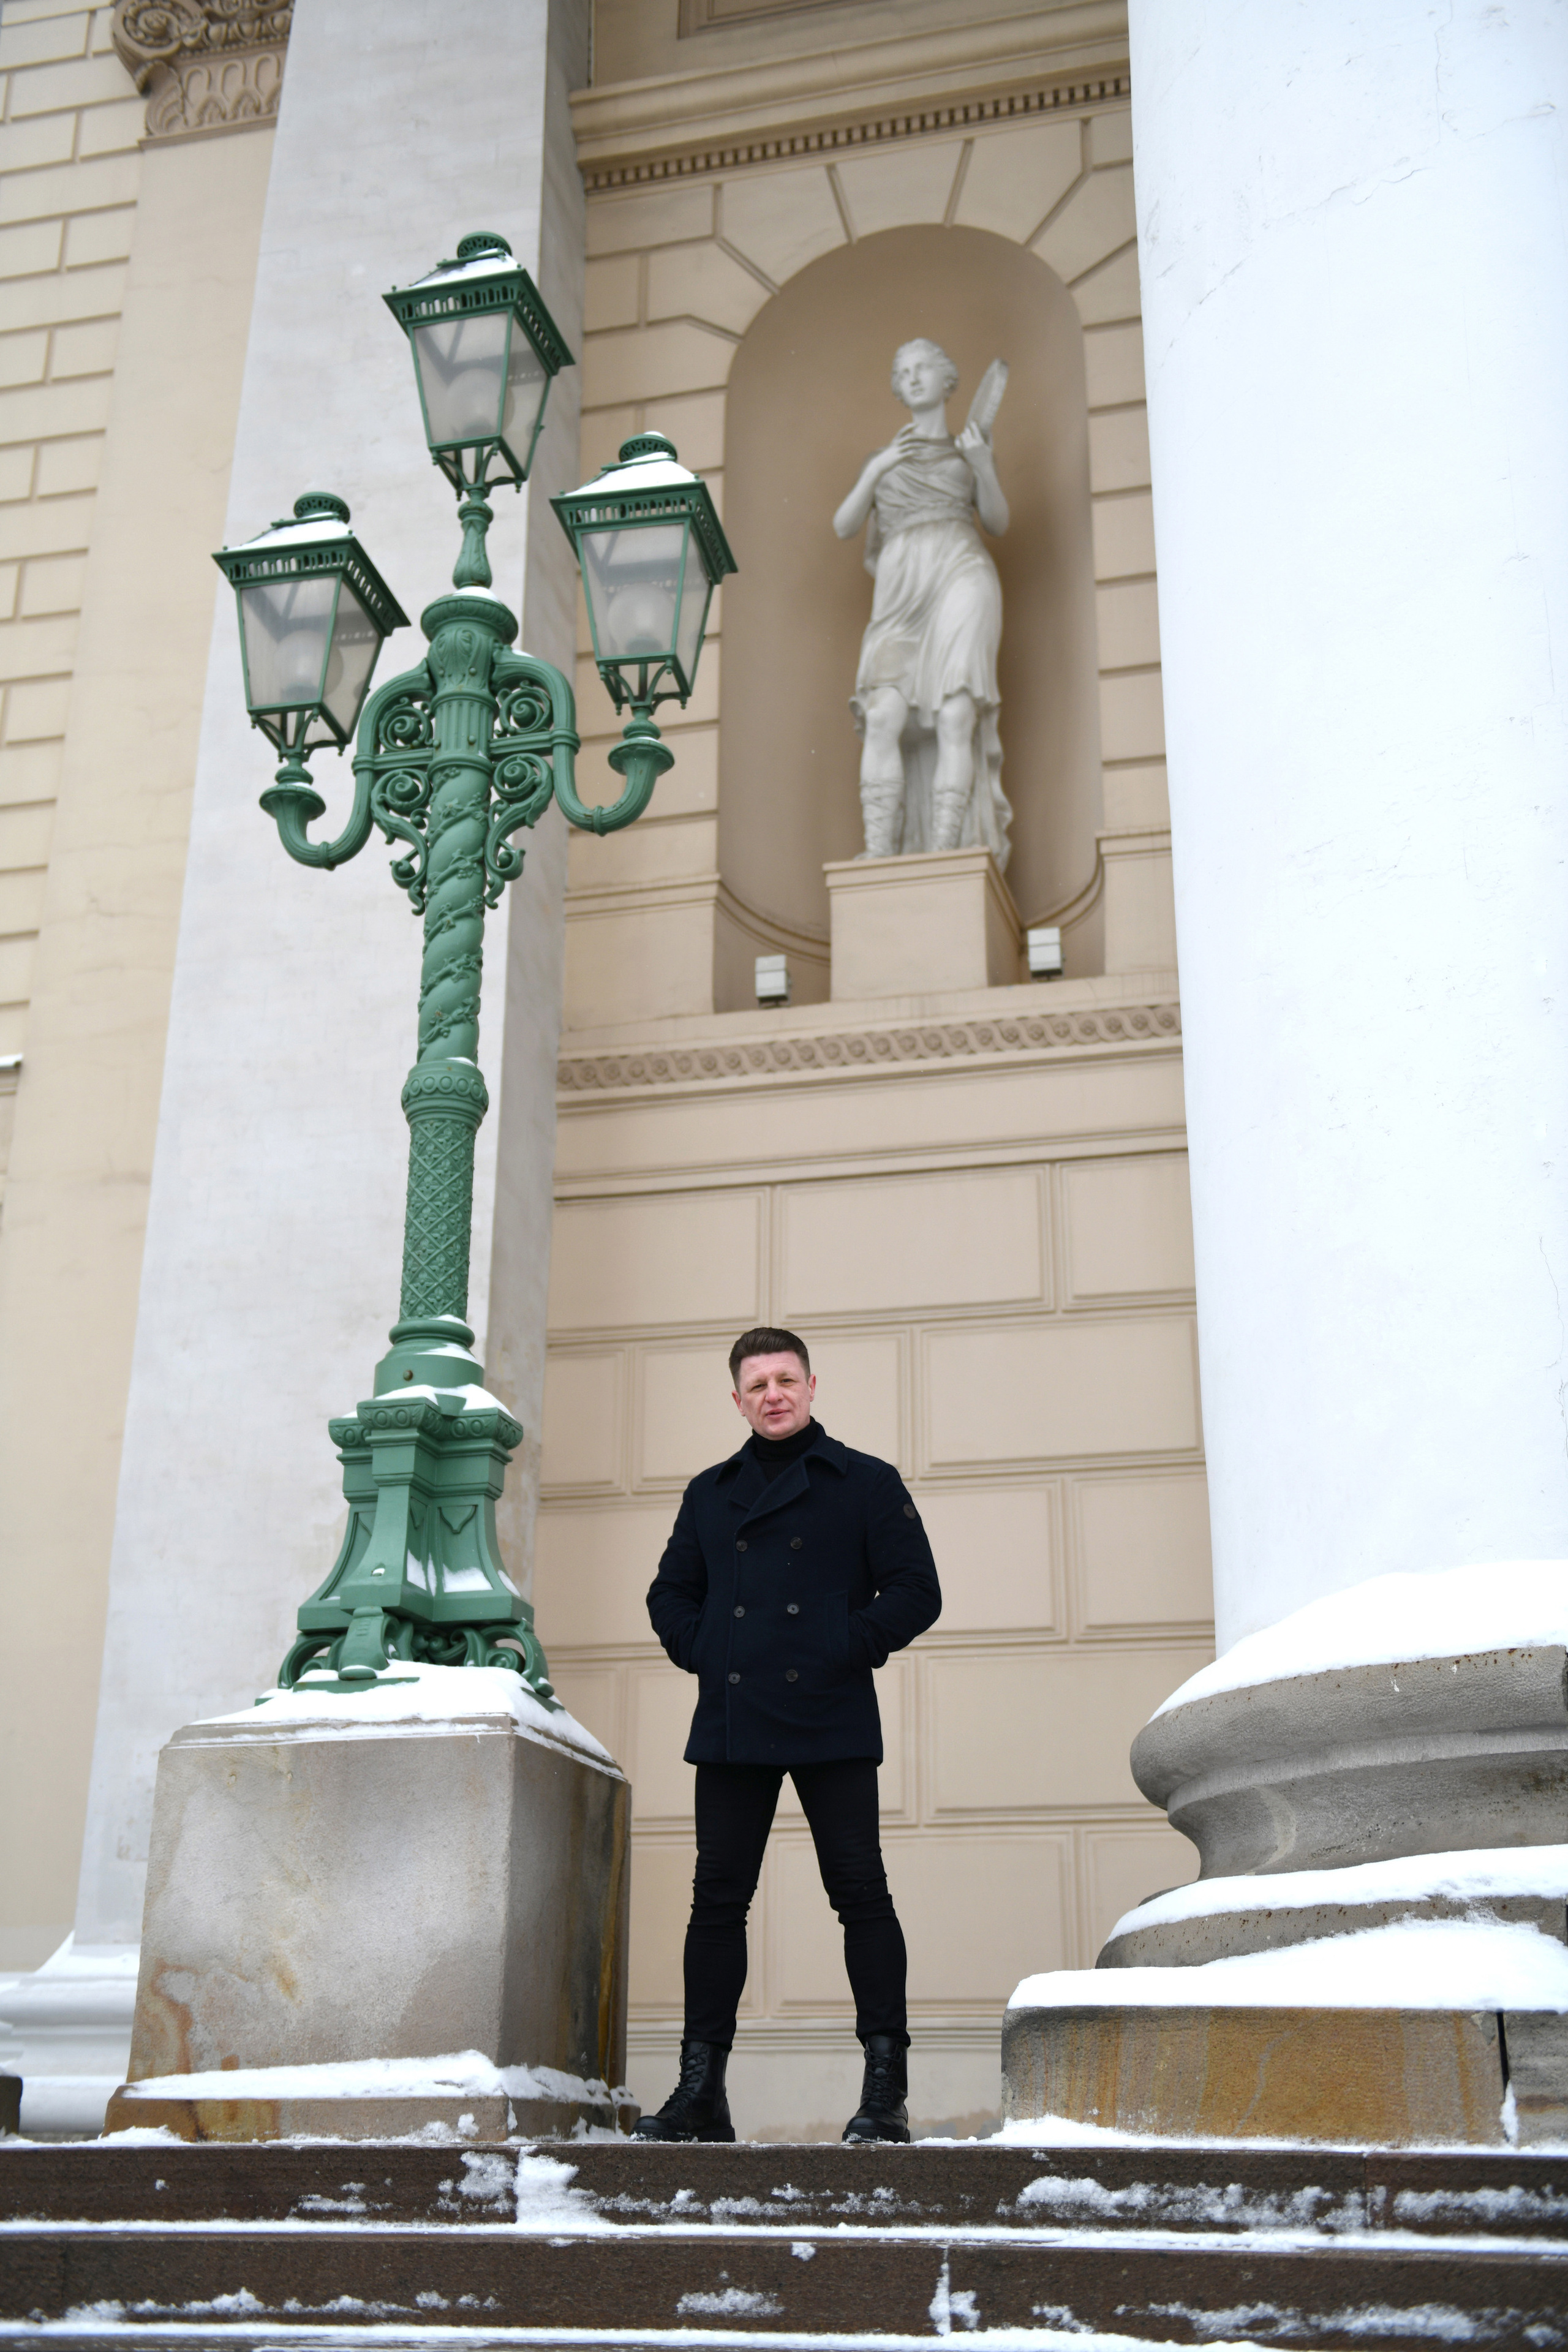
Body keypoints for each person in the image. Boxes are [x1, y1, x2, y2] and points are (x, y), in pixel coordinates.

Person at [636, 1326, 941, 2144]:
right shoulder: (710, 1492)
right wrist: (710, 1650)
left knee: (860, 1895)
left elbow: (917, 1589)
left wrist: (844, 1645)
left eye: (786, 1379)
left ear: (811, 1386)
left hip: (832, 1714)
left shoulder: (866, 1483)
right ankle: (701, 2093)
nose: (773, 1394)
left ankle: (885, 2094)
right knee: (717, 1905)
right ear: (737, 1400)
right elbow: (669, 1594)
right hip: (734, 1720)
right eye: (757, 1384)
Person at [832, 336, 1011, 865]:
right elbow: (844, 526)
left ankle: (945, 857)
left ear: (947, 381)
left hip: (961, 570)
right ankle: (879, 852)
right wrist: (877, 468)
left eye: (922, 369)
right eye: (903, 371)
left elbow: (999, 522)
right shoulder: (881, 460)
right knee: (884, 713)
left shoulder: (969, 448)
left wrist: (982, 465)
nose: (912, 378)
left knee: (956, 715)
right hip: (900, 590)